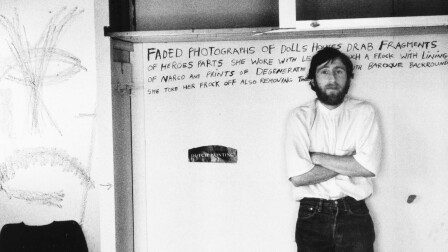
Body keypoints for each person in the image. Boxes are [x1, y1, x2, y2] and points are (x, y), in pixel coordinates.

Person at [285, 47, 382, 251]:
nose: (332, 78)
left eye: (339, 71)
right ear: (313, 80)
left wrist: (317, 157)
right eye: (324, 71)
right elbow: (299, 177)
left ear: (348, 79)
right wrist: (351, 162)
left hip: (354, 211)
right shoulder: (299, 117)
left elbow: (369, 167)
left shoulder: (364, 112)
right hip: (312, 215)